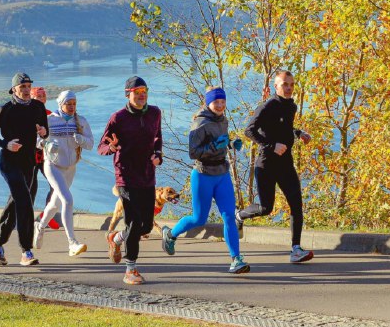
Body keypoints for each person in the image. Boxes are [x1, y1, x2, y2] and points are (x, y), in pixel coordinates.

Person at [161, 87, 250, 274]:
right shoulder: (200, 124)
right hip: (203, 175)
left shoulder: (223, 119)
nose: (220, 105)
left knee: (229, 217)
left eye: (223, 102)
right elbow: (193, 152)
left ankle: (236, 259)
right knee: (199, 218)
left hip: (222, 173)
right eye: (216, 102)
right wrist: (212, 146)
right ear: (208, 103)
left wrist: (231, 143)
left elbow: (222, 140)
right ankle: (170, 234)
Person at [236, 70, 314, 263]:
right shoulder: (268, 105)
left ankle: (296, 249)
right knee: (265, 208)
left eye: (291, 84)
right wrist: (271, 145)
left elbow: (283, 127)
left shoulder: (291, 106)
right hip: (267, 164)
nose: (288, 88)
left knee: (296, 204)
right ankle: (239, 215)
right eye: (284, 84)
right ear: (276, 86)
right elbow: (249, 130)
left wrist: (298, 133)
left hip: (286, 163)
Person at [98, 76, 162, 285]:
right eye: (137, 91)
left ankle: (115, 238)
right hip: (125, 175)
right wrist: (112, 147)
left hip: (147, 175)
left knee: (145, 227)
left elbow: (157, 139)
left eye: (144, 90)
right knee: (133, 223)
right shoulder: (118, 118)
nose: (142, 94)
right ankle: (130, 270)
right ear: (128, 94)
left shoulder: (155, 113)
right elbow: (102, 147)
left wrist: (158, 155)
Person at [0, 72, 49, 267]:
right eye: (22, 87)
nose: (26, 90)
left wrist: (43, 132)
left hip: (28, 162)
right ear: (14, 89)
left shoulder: (38, 107)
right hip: (9, 162)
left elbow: (45, 130)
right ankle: (26, 251)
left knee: (16, 203)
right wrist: (6, 144)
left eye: (28, 86)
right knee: (24, 201)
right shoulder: (5, 109)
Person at [33, 90, 94, 256]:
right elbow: (37, 140)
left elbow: (90, 143)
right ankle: (72, 243)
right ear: (61, 104)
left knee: (55, 203)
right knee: (67, 200)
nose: (72, 107)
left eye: (74, 103)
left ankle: (40, 225)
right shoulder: (50, 120)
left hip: (70, 167)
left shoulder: (80, 121)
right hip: (52, 165)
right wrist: (46, 145)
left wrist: (81, 140)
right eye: (69, 104)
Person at [30, 87, 61, 230]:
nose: (41, 98)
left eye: (43, 96)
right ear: (31, 98)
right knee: (30, 189)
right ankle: (27, 219)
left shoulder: (50, 115)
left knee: (56, 185)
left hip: (45, 157)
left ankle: (45, 216)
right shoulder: (26, 114)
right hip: (30, 158)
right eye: (38, 96)